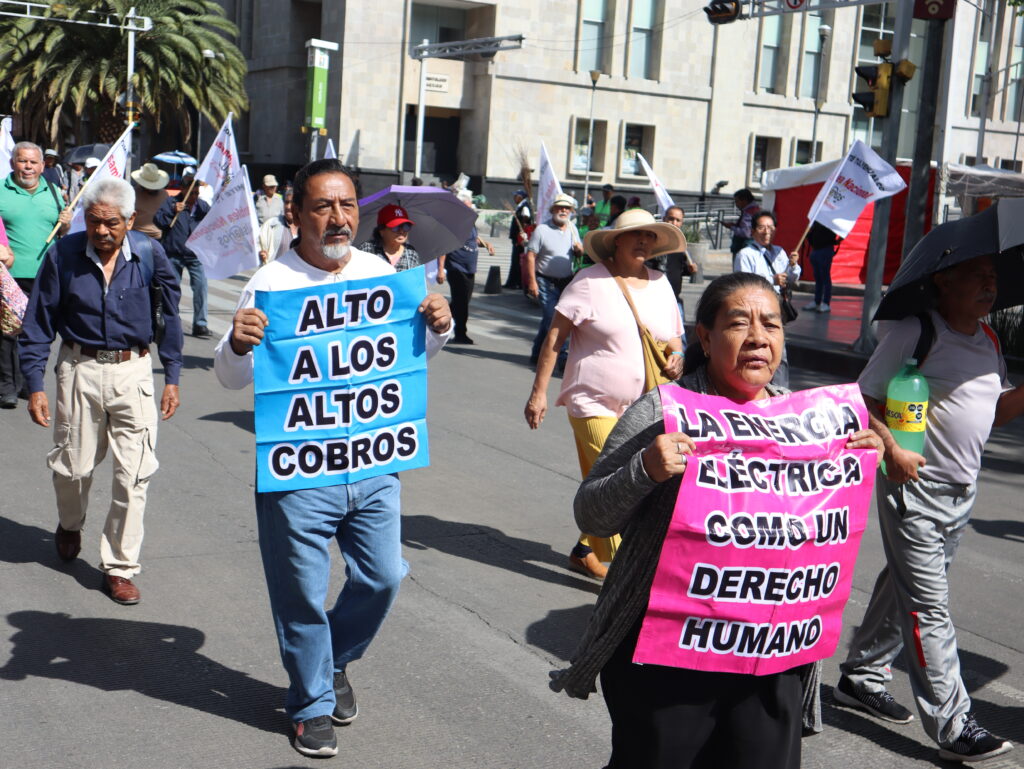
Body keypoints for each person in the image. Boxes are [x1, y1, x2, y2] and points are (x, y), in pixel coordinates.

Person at [550, 271, 882, 769]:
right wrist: (644, 470)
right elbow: (591, 511)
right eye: (738, 323)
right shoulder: (665, 411)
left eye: (770, 325)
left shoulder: (810, 425)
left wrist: (855, 461)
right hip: (671, 657)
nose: (757, 338)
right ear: (704, 336)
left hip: (771, 657)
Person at [213, 158, 454, 758]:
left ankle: (335, 658)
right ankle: (310, 703)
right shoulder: (270, 284)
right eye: (324, 206)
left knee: (384, 576)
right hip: (298, 473)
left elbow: (409, 357)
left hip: (373, 464)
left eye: (347, 205)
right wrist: (237, 343)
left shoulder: (381, 272)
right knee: (300, 591)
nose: (339, 217)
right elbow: (230, 376)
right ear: (295, 213)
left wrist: (440, 324)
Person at [837, 253, 1024, 763]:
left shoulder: (987, 339)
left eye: (994, 277)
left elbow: (995, 413)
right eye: (978, 275)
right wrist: (892, 449)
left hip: (961, 492)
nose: (991, 284)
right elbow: (861, 399)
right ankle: (952, 722)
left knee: (906, 584)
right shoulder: (915, 331)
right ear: (943, 279)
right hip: (912, 488)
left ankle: (861, 675)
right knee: (929, 607)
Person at [18, 177, 183, 605]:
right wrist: (35, 384)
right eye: (94, 222)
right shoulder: (63, 256)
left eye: (111, 223)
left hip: (134, 373)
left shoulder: (150, 254)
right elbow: (38, 324)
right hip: (78, 371)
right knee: (72, 470)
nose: (102, 232)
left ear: (130, 220)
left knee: (134, 476)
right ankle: (70, 523)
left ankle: (120, 566)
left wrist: (174, 376)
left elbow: (170, 316)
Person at [525, 208, 684, 580]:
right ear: (616, 241)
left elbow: (674, 337)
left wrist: (676, 355)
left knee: (609, 483)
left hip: (645, 406)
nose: (644, 242)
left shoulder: (661, 284)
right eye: (636, 235)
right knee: (624, 478)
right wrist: (539, 393)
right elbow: (554, 339)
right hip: (591, 402)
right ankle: (630, 572)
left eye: (650, 236)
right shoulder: (588, 281)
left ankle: (585, 548)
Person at [0, 141, 72, 408]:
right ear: (12, 163)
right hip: (9, 275)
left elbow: (62, 234)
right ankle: (7, 386)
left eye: (33, 162)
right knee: (7, 332)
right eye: (22, 161)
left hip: (46, 275)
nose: (27, 167)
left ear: (43, 166)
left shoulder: (54, 192)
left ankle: (30, 384)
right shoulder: (1, 190)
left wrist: (66, 225)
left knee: (36, 331)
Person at [733, 211, 799, 388]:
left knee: (780, 353)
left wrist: (793, 266)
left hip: (776, 309)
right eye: (762, 227)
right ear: (753, 231)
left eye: (770, 227)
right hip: (754, 311)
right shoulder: (745, 254)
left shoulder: (779, 252)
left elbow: (791, 278)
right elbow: (744, 284)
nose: (766, 231)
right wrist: (772, 280)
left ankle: (780, 391)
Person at [524, 193, 583, 366]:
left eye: (567, 208)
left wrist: (580, 249)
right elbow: (530, 256)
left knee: (554, 319)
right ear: (553, 210)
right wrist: (532, 282)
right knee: (552, 317)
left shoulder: (573, 228)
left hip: (566, 281)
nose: (563, 210)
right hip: (545, 281)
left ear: (571, 211)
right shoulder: (542, 230)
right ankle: (562, 356)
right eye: (560, 207)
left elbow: (578, 253)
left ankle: (537, 352)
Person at [155, 170, 211, 338]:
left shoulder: (202, 206)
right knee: (172, 289)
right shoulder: (171, 202)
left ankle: (200, 324)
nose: (194, 196)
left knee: (201, 287)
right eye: (191, 192)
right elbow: (158, 220)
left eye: (197, 192)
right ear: (183, 190)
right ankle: (170, 321)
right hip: (174, 253)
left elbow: (212, 222)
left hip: (195, 255)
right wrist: (173, 211)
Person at [438, 190, 494, 344]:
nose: (470, 209)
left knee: (462, 301)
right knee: (461, 302)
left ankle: (438, 318)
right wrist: (440, 269)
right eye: (467, 206)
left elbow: (473, 238)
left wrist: (486, 244)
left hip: (470, 267)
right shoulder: (454, 223)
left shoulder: (469, 221)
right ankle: (460, 333)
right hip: (457, 266)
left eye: (470, 206)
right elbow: (445, 245)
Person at [356, 203, 422, 272]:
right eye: (396, 227)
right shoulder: (368, 249)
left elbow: (416, 280)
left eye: (406, 226)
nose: (402, 231)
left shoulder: (411, 252)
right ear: (381, 231)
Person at [661, 206, 698, 322]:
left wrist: (690, 270)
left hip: (674, 299)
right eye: (670, 219)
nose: (674, 223)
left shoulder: (681, 245)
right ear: (664, 219)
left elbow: (680, 269)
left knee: (681, 338)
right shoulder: (656, 242)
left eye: (678, 220)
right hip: (656, 298)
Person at [802, 221, 842, 313]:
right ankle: (817, 301)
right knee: (818, 277)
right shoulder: (818, 219)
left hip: (825, 249)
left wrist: (838, 240)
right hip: (816, 249)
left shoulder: (831, 220)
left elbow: (842, 229)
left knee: (825, 277)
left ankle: (826, 303)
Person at [130, 163, 170, 240]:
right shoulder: (133, 193)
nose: (151, 189)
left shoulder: (164, 194)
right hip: (137, 237)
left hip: (160, 238)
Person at [259, 188, 299, 264]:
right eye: (286, 203)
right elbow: (258, 242)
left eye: (292, 203)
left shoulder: (307, 228)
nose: (288, 207)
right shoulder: (271, 224)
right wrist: (261, 253)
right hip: (274, 273)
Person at [505, 188, 532, 289]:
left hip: (520, 239)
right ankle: (512, 282)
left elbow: (526, 223)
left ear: (520, 197)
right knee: (514, 261)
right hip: (517, 238)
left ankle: (517, 283)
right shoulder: (520, 206)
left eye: (516, 196)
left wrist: (521, 237)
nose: (514, 198)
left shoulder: (524, 208)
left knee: (517, 261)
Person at [725, 188, 760, 257]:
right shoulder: (756, 209)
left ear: (744, 200)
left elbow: (746, 233)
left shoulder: (749, 212)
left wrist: (731, 227)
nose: (736, 204)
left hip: (743, 248)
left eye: (737, 201)